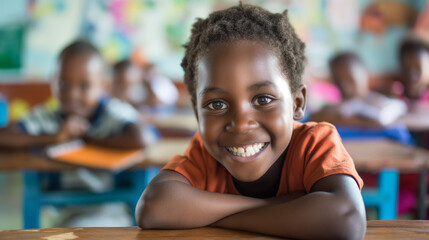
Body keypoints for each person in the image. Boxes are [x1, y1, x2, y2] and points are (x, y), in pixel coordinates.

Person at [135, 4, 365, 239]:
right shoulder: (204, 154)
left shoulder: (314, 143)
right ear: (197, 112)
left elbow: (346, 219)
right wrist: (277, 206)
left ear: (297, 103)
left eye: (263, 99)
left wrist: (216, 215)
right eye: (217, 105)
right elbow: (153, 206)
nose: (241, 123)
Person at [0, 40, 145, 149]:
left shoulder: (112, 113)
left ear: (104, 86)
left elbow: (142, 138)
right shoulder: (46, 117)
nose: (72, 95)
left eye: (84, 86)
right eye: (63, 84)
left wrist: (87, 139)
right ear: (53, 81)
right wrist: (55, 138)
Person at [311, 52, 407, 127]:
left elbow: (382, 119)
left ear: (365, 74)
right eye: (339, 83)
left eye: (350, 80)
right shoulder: (335, 108)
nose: (346, 88)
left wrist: (350, 111)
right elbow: (316, 115)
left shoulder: (382, 102)